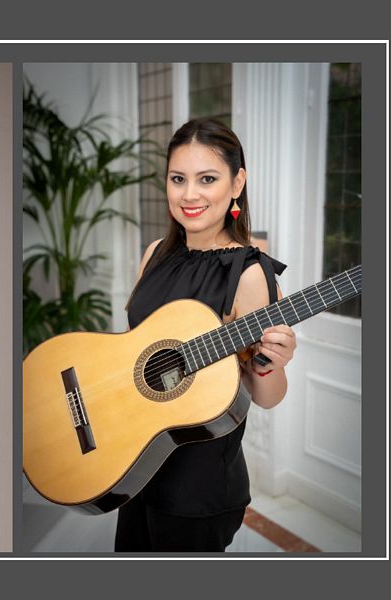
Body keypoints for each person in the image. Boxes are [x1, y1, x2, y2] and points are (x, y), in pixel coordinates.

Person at [115, 118, 296, 552]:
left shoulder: (251, 274)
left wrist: (273, 362)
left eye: (207, 179)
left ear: (237, 183)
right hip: (134, 465)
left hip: (197, 488)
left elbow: (266, 396)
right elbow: (133, 353)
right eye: (178, 179)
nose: (189, 194)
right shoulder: (154, 254)